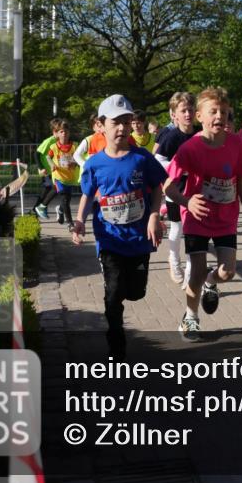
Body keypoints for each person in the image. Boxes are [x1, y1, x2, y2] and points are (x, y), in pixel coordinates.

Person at [71, 94, 167, 360]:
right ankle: (116, 343)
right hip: (109, 239)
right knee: (113, 295)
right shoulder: (93, 164)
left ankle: (126, 294)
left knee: (135, 293)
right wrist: (80, 221)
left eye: (128, 121)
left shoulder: (142, 158)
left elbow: (158, 186)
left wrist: (154, 215)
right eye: (116, 122)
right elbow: (88, 195)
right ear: (101, 125)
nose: (123, 128)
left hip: (138, 239)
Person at [163, 88, 242, 342]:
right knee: (195, 269)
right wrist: (186, 201)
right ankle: (191, 318)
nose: (220, 116)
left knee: (227, 271)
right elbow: (168, 186)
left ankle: (210, 282)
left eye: (224, 112)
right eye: (213, 112)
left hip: (226, 218)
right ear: (199, 116)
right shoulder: (190, 148)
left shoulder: (237, 145)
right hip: (197, 217)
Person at [153, 92, 197, 285]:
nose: (188, 114)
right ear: (174, 114)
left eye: (190, 110)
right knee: (177, 227)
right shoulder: (171, 137)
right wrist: (178, 168)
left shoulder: (200, 133)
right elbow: (158, 161)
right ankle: (173, 260)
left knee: (193, 230)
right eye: (183, 111)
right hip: (175, 189)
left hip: (196, 190)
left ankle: (191, 269)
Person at [47, 118, 80, 226]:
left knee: (66, 199)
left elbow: (79, 158)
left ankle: (60, 210)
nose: (64, 133)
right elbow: (48, 157)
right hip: (58, 176)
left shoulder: (75, 146)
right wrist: (52, 165)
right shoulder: (54, 147)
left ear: (69, 132)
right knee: (65, 198)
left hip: (69, 177)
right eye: (61, 131)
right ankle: (70, 223)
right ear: (57, 133)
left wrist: (74, 163)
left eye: (66, 131)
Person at [32, 128, 58, 219]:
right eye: (61, 131)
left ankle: (35, 210)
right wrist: (41, 167)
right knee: (55, 188)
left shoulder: (59, 141)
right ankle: (41, 207)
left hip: (52, 170)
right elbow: (36, 154)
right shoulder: (49, 141)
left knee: (46, 190)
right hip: (46, 171)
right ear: (55, 132)